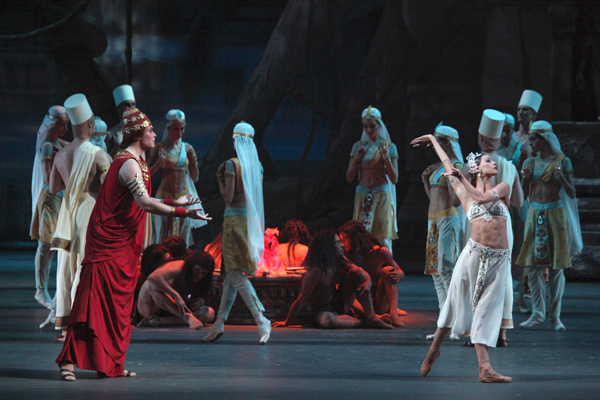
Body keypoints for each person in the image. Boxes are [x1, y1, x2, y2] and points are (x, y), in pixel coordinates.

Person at [56, 107, 210, 381]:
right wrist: (182, 210)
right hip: (107, 244)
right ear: (139, 134)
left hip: (125, 245)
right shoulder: (127, 163)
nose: (154, 133)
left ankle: (110, 364)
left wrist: (177, 201)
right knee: (90, 302)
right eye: (150, 130)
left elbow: (147, 200)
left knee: (118, 306)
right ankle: (68, 361)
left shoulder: (138, 163)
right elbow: (145, 203)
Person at [412, 112, 513, 384]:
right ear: (478, 168)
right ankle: (434, 349)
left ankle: (485, 368)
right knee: (454, 305)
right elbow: (448, 164)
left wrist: (462, 177)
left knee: (487, 309)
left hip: (499, 260)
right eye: (488, 160)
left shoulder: (502, 188)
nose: (493, 162)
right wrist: (434, 140)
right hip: (474, 255)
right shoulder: (466, 198)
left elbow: (481, 195)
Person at [459, 110, 524, 347]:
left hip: (478, 227)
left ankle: (478, 333)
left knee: (477, 275)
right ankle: (502, 332)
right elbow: (519, 201)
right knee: (501, 277)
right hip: (503, 227)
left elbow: (457, 199)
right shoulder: (508, 166)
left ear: (480, 138)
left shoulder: (472, 166)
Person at [49, 94, 112, 339]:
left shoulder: (60, 154)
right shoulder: (97, 154)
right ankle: (81, 322)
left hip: (67, 212)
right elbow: (109, 192)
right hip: (88, 210)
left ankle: (65, 324)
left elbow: (54, 187)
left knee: (66, 268)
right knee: (85, 268)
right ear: (90, 124)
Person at [203, 122, 271, 344]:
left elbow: (228, 197)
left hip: (233, 220)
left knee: (233, 274)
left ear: (235, 141)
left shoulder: (231, 165)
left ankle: (260, 317)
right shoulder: (257, 166)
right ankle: (219, 323)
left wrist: (220, 180)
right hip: (249, 221)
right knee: (230, 277)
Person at [516, 121, 582, 331]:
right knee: (532, 265)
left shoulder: (562, 161)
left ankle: (556, 316)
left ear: (544, 140)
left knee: (556, 267)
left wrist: (561, 178)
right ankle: (537, 313)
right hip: (536, 213)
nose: (530, 142)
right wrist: (524, 177)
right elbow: (523, 193)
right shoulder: (530, 163)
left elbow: (571, 193)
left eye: (534, 139)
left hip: (555, 214)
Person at [272, 230, 393, 329]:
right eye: (337, 243)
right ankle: (365, 322)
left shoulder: (339, 260)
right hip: (322, 309)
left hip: (340, 302)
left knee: (358, 273)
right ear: (328, 248)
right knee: (326, 321)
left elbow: (361, 272)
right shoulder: (315, 271)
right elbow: (301, 298)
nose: (342, 245)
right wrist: (287, 321)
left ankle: (372, 317)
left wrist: (368, 283)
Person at [419, 124, 464, 338]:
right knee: (436, 272)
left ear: (447, 143)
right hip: (433, 220)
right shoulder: (437, 167)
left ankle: (455, 322)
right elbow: (432, 197)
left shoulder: (456, 166)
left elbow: (456, 201)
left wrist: (451, 179)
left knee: (447, 269)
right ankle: (443, 323)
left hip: (448, 219)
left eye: (438, 141)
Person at [30, 106, 69, 309]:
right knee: (46, 245)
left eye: (66, 125)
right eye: (62, 125)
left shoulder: (58, 144)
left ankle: (52, 289)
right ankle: (40, 289)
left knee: (56, 245)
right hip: (51, 197)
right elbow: (47, 178)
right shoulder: (47, 147)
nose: (64, 129)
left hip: (59, 196)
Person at [148, 109, 205, 247]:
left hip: (184, 197)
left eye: (182, 129)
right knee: (162, 234)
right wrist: (159, 163)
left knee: (181, 237)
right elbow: (147, 174)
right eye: (175, 129)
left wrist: (193, 162)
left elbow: (195, 178)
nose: (179, 132)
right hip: (164, 196)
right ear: (168, 128)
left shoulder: (187, 149)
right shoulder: (160, 148)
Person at [346, 106, 398, 252]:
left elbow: (394, 178)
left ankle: (385, 268)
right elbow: (350, 177)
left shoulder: (389, 147)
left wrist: (386, 157)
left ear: (379, 126)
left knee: (382, 236)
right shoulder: (358, 147)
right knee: (361, 235)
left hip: (381, 193)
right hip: (362, 193)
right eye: (366, 126)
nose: (369, 130)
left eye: (372, 126)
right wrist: (357, 158)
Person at [338, 221, 405, 327]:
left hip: (378, 301)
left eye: (345, 239)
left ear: (355, 239)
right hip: (358, 303)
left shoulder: (380, 252)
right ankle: (374, 317)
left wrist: (398, 275)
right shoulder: (344, 255)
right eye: (341, 240)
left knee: (388, 270)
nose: (343, 243)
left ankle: (393, 313)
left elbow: (400, 271)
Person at [499, 113, 529, 314]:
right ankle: (498, 295)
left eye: (507, 131)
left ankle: (517, 296)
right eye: (500, 131)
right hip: (496, 204)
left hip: (515, 203)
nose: (503, 135)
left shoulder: (520, 150)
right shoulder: (490, 151)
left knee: (518, 249)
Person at [137, 251, 215, 329]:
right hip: (153, 306)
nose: (199, 275)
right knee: (150, 285)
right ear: (191, 266)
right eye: (197, 270)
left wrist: (201, 300)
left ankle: (160, 321)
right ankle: (187, 318)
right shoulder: (178, 266)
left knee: (210, 313)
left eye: (203, 273)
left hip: (172, 313)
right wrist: (175, 295)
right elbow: (152, 278)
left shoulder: (204, 280)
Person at [105, 84, 136, 157]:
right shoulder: (111, 134)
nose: (131, 107)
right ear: (119, 109)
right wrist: (117, 145)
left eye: (133, 104)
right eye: (127, 105)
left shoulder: (142, 130)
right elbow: (106, 160)